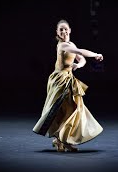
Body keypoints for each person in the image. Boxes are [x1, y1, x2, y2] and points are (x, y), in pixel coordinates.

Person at [33, 19, 103, 152]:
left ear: (70, 30)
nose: (64, 31)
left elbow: (80, 58)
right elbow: (81, 52)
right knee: (61, 110)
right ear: (57, 33)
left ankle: (64, 140)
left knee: (73, 109)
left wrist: (78, 65)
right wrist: (96, 55)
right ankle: (61, 140)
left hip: (69, 78)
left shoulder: (71, 44)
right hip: (59, 80)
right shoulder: (62, 46)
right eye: (61, 30)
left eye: (66, 29)